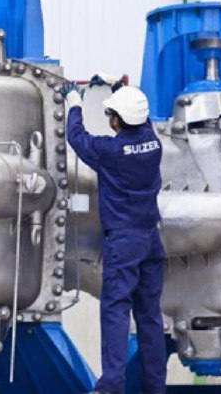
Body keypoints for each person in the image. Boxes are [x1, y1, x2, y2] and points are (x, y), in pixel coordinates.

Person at [60, 74, 167, 394]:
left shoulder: (111, 152)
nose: (108, 118)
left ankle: (111, 387)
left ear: (118, 121)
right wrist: (117, 87)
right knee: (150, 316)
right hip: (151, 240)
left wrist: (74, 102)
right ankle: (156, 388)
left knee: (116, 311)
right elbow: (141, 120)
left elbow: (77, 138)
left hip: (124, 241)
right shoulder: (154, 143)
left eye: (110, 114)